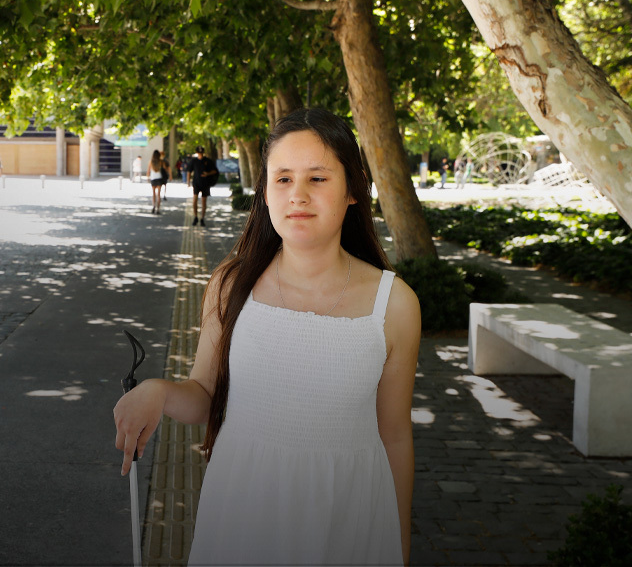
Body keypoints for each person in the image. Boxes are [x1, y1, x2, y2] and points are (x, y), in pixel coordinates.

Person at [112, 108, 420, 565]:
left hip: (349, 512)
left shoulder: (394, 304)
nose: (298, 195)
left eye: (317, 178)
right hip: (243, 504)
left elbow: (394, 435)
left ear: (353, 190)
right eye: (282, 179)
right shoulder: (231, 283)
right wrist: (158, 393)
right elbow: (204, 395)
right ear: (265, 192)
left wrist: (398, 544)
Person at [186, 146, 220, 226]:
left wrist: (207, 174)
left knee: (204, 202)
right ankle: (195, 217)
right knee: (195, 200)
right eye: (199, 152)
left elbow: (215, 171)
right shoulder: (193, 161)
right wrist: (188, 182)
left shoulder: (208, 161)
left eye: (201, 152)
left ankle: (202, 218)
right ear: (197, 153)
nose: (200, 154)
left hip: (205, 183)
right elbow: (189, 171)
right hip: (196, 183)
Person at [147, 149, 169, 214]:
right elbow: (165, 169)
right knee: (158, 194)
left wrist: (148, 178)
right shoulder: (161, 161)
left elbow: (148, 171)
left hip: (153, 178)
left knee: (153, 193)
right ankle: (158, 209)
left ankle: (153, 206)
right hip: (159, 178)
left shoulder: (151, 161)